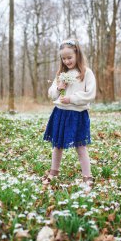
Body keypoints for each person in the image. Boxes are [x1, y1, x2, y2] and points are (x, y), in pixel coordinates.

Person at [43, 39, 96, 187]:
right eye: (63, 58)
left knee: (80, 146)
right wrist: (59, 87)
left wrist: (72, 98)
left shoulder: (86, 73)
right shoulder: (61, 74)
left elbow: (90, 94)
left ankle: (87, 177)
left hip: (78, 114)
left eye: (69, 57)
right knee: (57, 145)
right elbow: (52, 95)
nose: (67, 61)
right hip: (60, 113)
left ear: (77, 54)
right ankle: (54, 172)